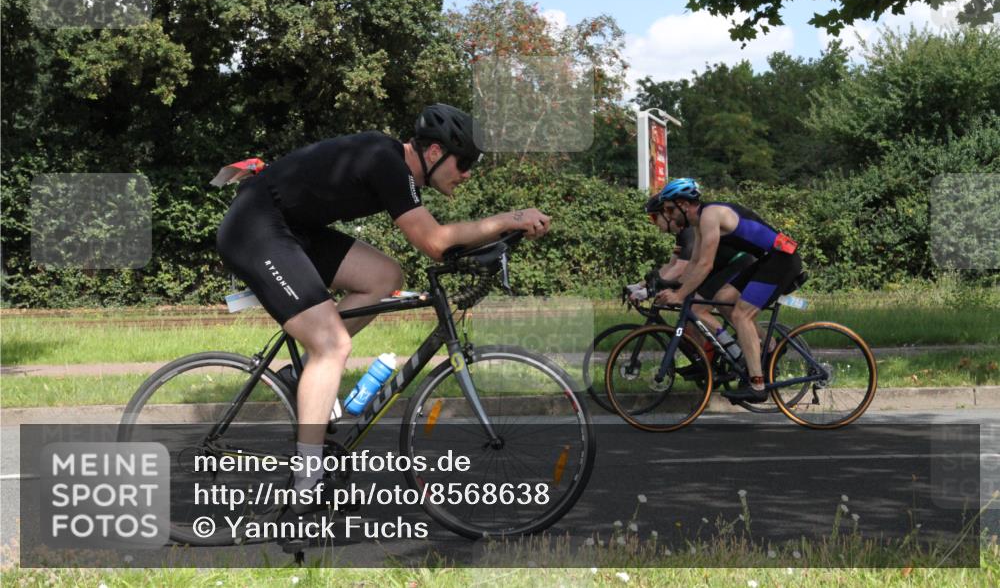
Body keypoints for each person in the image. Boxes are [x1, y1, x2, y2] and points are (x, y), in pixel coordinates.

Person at [216, 104, 551, 509]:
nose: (466, 174)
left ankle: (303, 371)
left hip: (292, 228)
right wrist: (510, 218)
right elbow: (435, 242)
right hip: (256, 227)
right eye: (464, 163)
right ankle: (307, 482)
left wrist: (501, 237)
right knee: (333, 345)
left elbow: (442, 246)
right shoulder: (385, 160)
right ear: (433, 153)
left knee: (384, 278)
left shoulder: (390, 162)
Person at [654, 178, 802, 402]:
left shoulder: (710, 216)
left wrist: (680, 295)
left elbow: (706, 264)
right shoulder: (698, 223)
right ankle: (767, 348)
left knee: (741, 314)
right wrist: (672, 288)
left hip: (782, 260)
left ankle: (757, 385)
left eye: (670, 209)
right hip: (768, 259)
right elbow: (693, 264)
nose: (669, 215)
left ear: (684, 204)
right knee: (723, 298)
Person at [633, 189, 755, 364]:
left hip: (737, 263)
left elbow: (682, 268)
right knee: (691, 313)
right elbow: (671, 266)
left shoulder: (688, 231)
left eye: (654, 218)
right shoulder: (681, 234)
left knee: (699, 309)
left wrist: (653, 290)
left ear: (667, 213)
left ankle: (745, 351)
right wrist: (642, 286)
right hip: (721, 268)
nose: (654, 224)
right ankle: (704, 363)